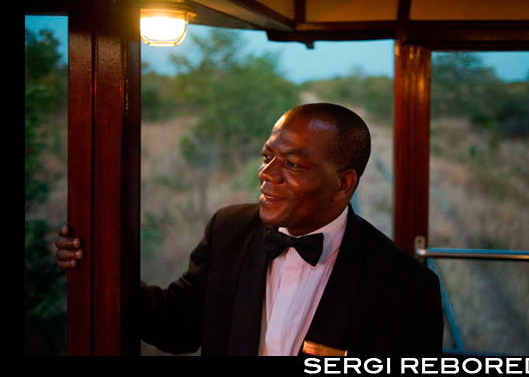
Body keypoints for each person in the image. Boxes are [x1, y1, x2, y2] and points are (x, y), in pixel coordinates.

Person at [55, 102, 443, 356]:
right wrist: (99, 268)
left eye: (291, 164)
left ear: (344, 184)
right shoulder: (229, 230)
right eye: (267, 156)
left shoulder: (406, 286)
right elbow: (177, 326)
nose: (266, 174)